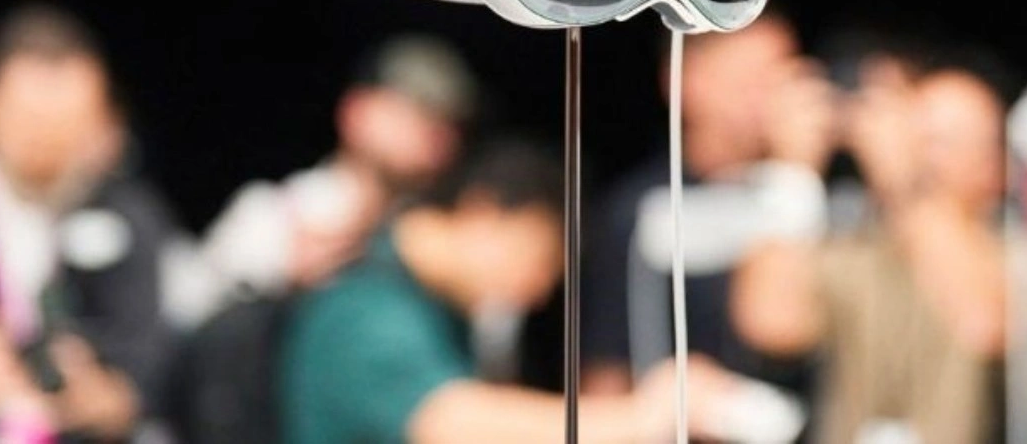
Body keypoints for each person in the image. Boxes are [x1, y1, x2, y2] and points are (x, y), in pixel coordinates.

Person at [281, 139, 746, 443]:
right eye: (540, 260)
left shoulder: (434, 309)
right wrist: (642, 416)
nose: (539, 291)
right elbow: (451, 422)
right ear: (485, 212)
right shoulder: (364, 307)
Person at [733, 62, 1027, 444]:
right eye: (913, 135)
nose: (917, 154)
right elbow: (773, 323)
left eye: (940, 141)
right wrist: (793, 171)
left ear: (996, 166)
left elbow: (982, 325)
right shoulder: (861, 248)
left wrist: (907, 185)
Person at [169, 35, 477, 444]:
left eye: (446, 123)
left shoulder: (439, 240)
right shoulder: (276, 214)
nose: (432, 134)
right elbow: (179, 327)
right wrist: (276, 278)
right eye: (415, 113)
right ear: (356, 111)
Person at [0, 4, 175, 442]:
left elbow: (149, 383)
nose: (48, 144)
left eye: (69, 122)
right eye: (31, 121)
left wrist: (95, 394)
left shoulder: (128, 216)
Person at [581, 10, 839, 396]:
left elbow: (786, 326)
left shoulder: (820, 190)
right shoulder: (643, 211)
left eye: (785, 78)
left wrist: (797, 171)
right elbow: (606, 371)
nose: (774, 100)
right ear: (685, 80)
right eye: (752, 81)